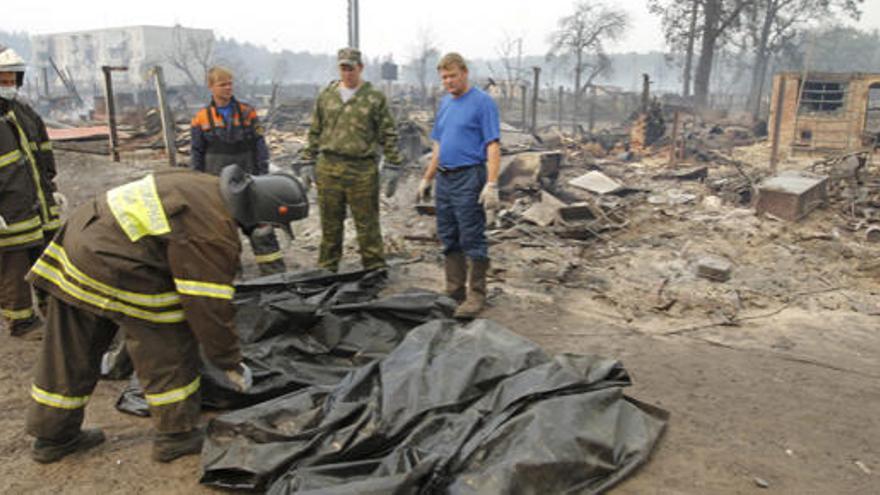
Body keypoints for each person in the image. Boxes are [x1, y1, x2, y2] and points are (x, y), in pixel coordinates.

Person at [24, 165, 308, 464]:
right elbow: (208, 308)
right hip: (115, 260)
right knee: (168, 339)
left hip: (80, 240)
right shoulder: (213, 229)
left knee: (70, 349)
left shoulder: (203, 184)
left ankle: (53, 437)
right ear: (261, 211)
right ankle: (177, 436)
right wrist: (229, 361)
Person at [300, 47, 404, 273]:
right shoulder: (326, 96)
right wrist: (308, 161)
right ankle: (327, 269)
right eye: (343, 68)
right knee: (330, 225)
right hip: (329, 168)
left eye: (351, 68)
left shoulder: (374, 98)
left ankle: (374, 269)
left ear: (361, 68)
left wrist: (393, 164)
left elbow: (388, 133)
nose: (347, 73)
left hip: (362, 170)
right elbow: (315, 130)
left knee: (367, 226)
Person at [416, 53, 501, 319]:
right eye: (444, 78)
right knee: (448, 234)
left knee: (471, 234)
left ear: (464, 72)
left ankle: (476, 294)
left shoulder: (482, 103)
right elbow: (439, 145)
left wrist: (491, 183)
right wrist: (428, 177)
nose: (448, 82)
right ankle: (454, 290)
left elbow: (493, 144)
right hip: (445, 178)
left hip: (469, 176)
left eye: (452, 76)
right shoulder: (445, 104)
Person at [191, 66, 286, 276]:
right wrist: (198, 182)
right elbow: (197, 153)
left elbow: (259, 145)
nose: (228, 88)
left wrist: (262, 176)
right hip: (216, 186)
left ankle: (276, 277)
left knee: (262, 231)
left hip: (248, 181)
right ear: (211, 87)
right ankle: (234, 281)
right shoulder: (201, 118)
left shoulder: (247, 112)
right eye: (222, 84)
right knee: (224, 235)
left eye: (230, 83)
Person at [0, 46, 63, 338]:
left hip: (39, 204)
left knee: (48, 258)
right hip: (9, 210)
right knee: (14, 266)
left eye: (13, 78)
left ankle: (56, 312)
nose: (9, 84)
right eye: (4, 78)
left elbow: (43, 155)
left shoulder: (25, 113)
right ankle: (21, 322)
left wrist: (52, 188)